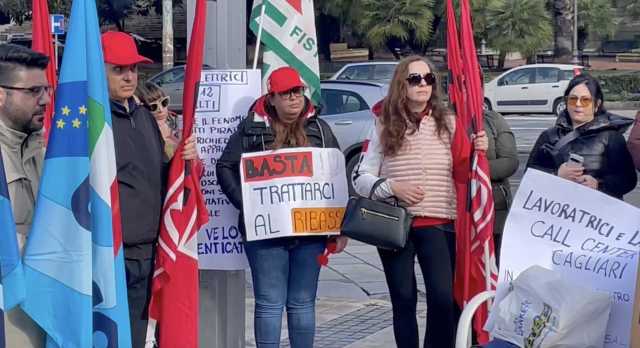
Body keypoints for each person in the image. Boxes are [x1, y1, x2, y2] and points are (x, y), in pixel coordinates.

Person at [351, 56, 488, 348]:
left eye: (429, 79)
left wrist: (479, 152)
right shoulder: (382, 122)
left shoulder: (449, 122)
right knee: (403, 299)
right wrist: (392, 186)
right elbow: (360, 177)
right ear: (402, 83)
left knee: (441, 298)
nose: (423, 84)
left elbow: (464, 172)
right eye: (415, 79)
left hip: (438, 222)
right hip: (394, 224)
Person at [216, 66, 348, 348]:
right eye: (286, 93)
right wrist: (246, 203)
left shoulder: (321, 130)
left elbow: (336, 178)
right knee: (269, 303)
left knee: (302, 303)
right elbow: (224, 167)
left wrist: (340, 226)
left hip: (310, 233)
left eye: (298, 91)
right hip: (266, 235)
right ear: (271, 97)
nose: (293, 98)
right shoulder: (251, 129)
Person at [101, 31, 198, 348]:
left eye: (133, 68)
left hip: (147, 247)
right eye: (119, 69)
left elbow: (160, 175)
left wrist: (186, 162)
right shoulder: (92, 121)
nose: (129, 77)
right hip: (108, 252)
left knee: (136, 333)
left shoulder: (143, 115)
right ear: (99, 68)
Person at [0, 43, 50, 347]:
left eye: (45, 90)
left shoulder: (40, 150)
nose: (44, 100)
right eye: (33, 92)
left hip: (40, 298)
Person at [526, 74, 636, 200]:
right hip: (555, 209)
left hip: (596, 212)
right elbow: (529, 174)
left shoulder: (611, 137)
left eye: (585, 100)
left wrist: (598, 185)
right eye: (573, 99)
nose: (578, 104)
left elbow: (628, 179)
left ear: (597, 104)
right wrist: (556, 175)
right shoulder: (549, 135)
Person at [483, 109, 518, 263]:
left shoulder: (493, 120)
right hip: (452, 214)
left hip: (495, 210)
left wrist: (477, 170)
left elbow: (509, 162)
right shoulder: (442, 119)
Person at [135, 81, 180, 157]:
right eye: (153, 107)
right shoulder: (140, 132)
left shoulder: (177, 121)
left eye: (164, 102)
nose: (161, 110)